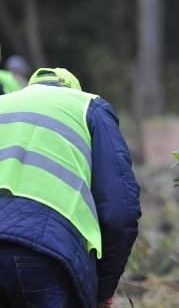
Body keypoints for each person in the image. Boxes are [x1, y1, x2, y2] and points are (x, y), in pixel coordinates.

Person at [0, 68, 141, 308]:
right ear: (74, 90)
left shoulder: (4, 104)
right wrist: (103, 289)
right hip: (46, 252)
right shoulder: (89, 107)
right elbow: (120, 209)